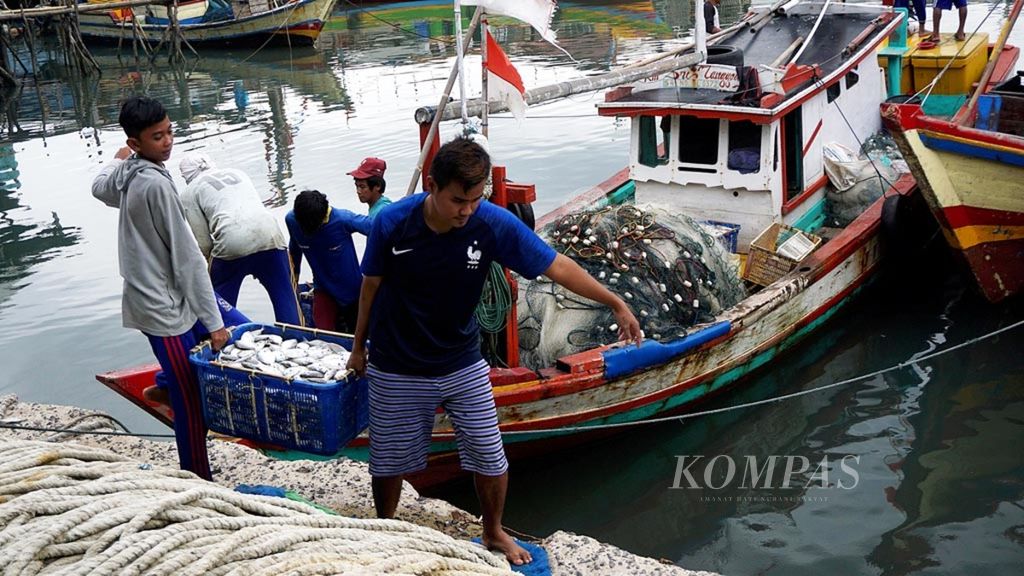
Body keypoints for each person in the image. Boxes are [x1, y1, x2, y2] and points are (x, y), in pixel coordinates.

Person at [345, 137, 642, 565]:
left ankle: (493, 531)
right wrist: (358, 348)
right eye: (457, 200)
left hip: (461, 359)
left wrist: (614, 300)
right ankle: (385, 523)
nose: (466, 210)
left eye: (475, 198)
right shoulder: (392, 224)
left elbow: (555, 265)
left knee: (489, 452)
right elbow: (369, 287)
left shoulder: (491, 223)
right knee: (388, 460)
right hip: (398, 361)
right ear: (432, 185)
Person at [92, 96, 246, 480]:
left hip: (159, 299)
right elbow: (189, 259)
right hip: (163, 309)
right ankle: (198, 479)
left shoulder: (129, 172)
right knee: (190, 399)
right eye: (157, 137)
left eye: (170, 132)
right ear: (136, 142)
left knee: (188, 375)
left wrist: (117, 159)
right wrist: (214, 324)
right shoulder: (155, 186)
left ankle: (162, 384)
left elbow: (99, 187)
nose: (168, 142)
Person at [178, 152, 301, 325]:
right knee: (286, 296)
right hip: (270, 235)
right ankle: (297, 335)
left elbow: (204, 243)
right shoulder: (238, 173)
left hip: (230, 244)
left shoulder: (189, 193)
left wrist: (216, 269)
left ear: (186, 176)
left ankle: (220, 341)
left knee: (216, 307)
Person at [286, 189, 372, 332]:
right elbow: (294, 249)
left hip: (351, 292)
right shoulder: (292, 220)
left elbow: (379, 228)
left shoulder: (344, 219)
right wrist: (293, 280)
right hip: (322, 287)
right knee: (323, 337)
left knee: (359, 335)